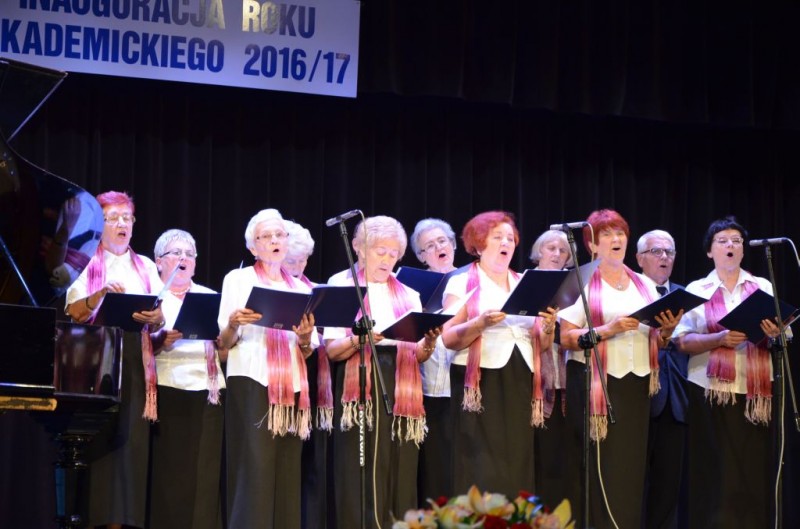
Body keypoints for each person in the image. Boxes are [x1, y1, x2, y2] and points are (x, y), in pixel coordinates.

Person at [558, 209, 681, 529]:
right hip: (594, 383)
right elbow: (566, 337)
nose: (616, 239)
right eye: (607, 234)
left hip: (636, 385)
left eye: (620, 233)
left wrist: (667, 331)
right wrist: (607, 330)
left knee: (629, 467)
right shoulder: (580, 280)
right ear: (591, 244)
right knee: (598, 465)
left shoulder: (644, 284)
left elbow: (659, 340)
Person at [323, 215, 441, 528]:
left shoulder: (409, 295)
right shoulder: (341, 285)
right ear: (359, 248)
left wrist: (429, 342)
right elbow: (332, 350)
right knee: (359, 468)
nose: (387, 260)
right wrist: (359, 339)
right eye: (380, 252)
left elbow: (418, 354)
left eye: (393, 254)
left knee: (399, 467)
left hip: (401, 385)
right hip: (360, 378)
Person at [65, 190, 165, 529]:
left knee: (130, 444)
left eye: (127, 218)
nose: (122, 224)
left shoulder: (146, 266)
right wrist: (101, 294)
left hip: (134, 357)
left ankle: (124, 521)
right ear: (99, 223)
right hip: (95, 359)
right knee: (99, 444)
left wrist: (156, 319)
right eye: (113, 218)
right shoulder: (83, 260)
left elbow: (160, 316)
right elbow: (74, 312)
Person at [440, 211, 557, 500]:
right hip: (481, 380)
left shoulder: (525, 282)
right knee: (480, 461)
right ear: (479, 245)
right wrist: (479, 324)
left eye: (510, 238)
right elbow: (448, 337)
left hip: (520, 376)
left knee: (516, 458)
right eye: (497, 237)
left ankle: (515, 516)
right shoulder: (461, 282)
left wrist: (549, 326)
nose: (506, 242)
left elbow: (542, 344)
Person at [674, 216, 780, 528]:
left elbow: (782, 336)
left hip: (754, 392)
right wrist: (718, 339)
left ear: (743, 250)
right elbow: (682, 341)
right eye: (722, 241)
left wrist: (774, 333)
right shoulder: (698, 289)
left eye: (736, 241)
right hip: (709, 390)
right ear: (710, 251)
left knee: (751, 471)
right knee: (714, 471)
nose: (730, 245)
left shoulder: (762, 286)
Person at [217, 209, 317, 529]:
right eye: (266, 236)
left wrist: (305, 337)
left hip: (291, 385)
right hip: (251, 380)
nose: (275, 240)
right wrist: (234, 323)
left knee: (287, 469)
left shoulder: (301, 289)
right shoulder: (238, 279)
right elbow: (223, 342)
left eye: (279, 235)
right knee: (255, 468)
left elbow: (307, 349)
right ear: (253, 247)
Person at [147, 229, 226, 529]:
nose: (184, 258)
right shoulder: (152, 296)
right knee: (172, 472)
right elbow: (136, 345)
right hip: (169, 388)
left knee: (205, 472)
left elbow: (225, 347)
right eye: (176, 253)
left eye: (189, 254)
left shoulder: (209, 296)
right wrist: (160, 341)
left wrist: (224, 337)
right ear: (158, 261)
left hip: (209, 391)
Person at [282, 220, 334, 529]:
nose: (298, 267)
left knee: (310, 457)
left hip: (313, 378)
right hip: (281, 378)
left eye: (303, 261)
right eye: (292, 260)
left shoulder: (312, 291)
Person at [635, 229, 688, 529]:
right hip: (636, 394)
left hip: (675, 399)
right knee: (634, 479)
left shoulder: (684, 295)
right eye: (656, 251)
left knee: (668, 484)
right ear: (640, 258)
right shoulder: (629, 291)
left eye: (669, 252)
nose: (664, 257)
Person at [409, 218, 459, 504]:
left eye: (442, 241)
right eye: (429, 245)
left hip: (464, 387)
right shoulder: (412, 290)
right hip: (426, 388)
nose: (438, 247)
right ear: (421, 256)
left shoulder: (470, 281)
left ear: (453, 245)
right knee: (433, 468)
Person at [528, 229, 575, 512]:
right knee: (536, 459)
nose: (557, 254)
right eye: (551, 248)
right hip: (533, 385)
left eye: (563, 250)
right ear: (538, 252)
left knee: (560, 461)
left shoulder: (573, 289)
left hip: (565, 386)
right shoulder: (523, 282)